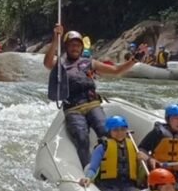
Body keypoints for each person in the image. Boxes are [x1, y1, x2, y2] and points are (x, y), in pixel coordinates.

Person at [44, 25, 137, 168]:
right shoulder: (60, 64)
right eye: (72, 45)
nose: (75, 48)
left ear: (81, 48)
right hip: (73, 109)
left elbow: (116, 71)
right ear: (66, 47)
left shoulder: (90, 63)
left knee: (106, 133)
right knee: (82, 138)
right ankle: (88, 170)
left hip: (92, 104)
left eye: (77, 45)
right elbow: (47, 62)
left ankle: (115, 167)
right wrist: (55, 38)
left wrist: (133, 60)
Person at [79, 115, 143, 191]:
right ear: (109, 131)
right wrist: (88, 178)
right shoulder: (102, 147)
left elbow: (138, 170)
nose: (120, 133)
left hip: (128, 186)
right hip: (108, 186)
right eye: (116, 130)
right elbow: (93, 167)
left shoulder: (132, 145)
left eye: (122, 129)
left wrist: (142, 159)